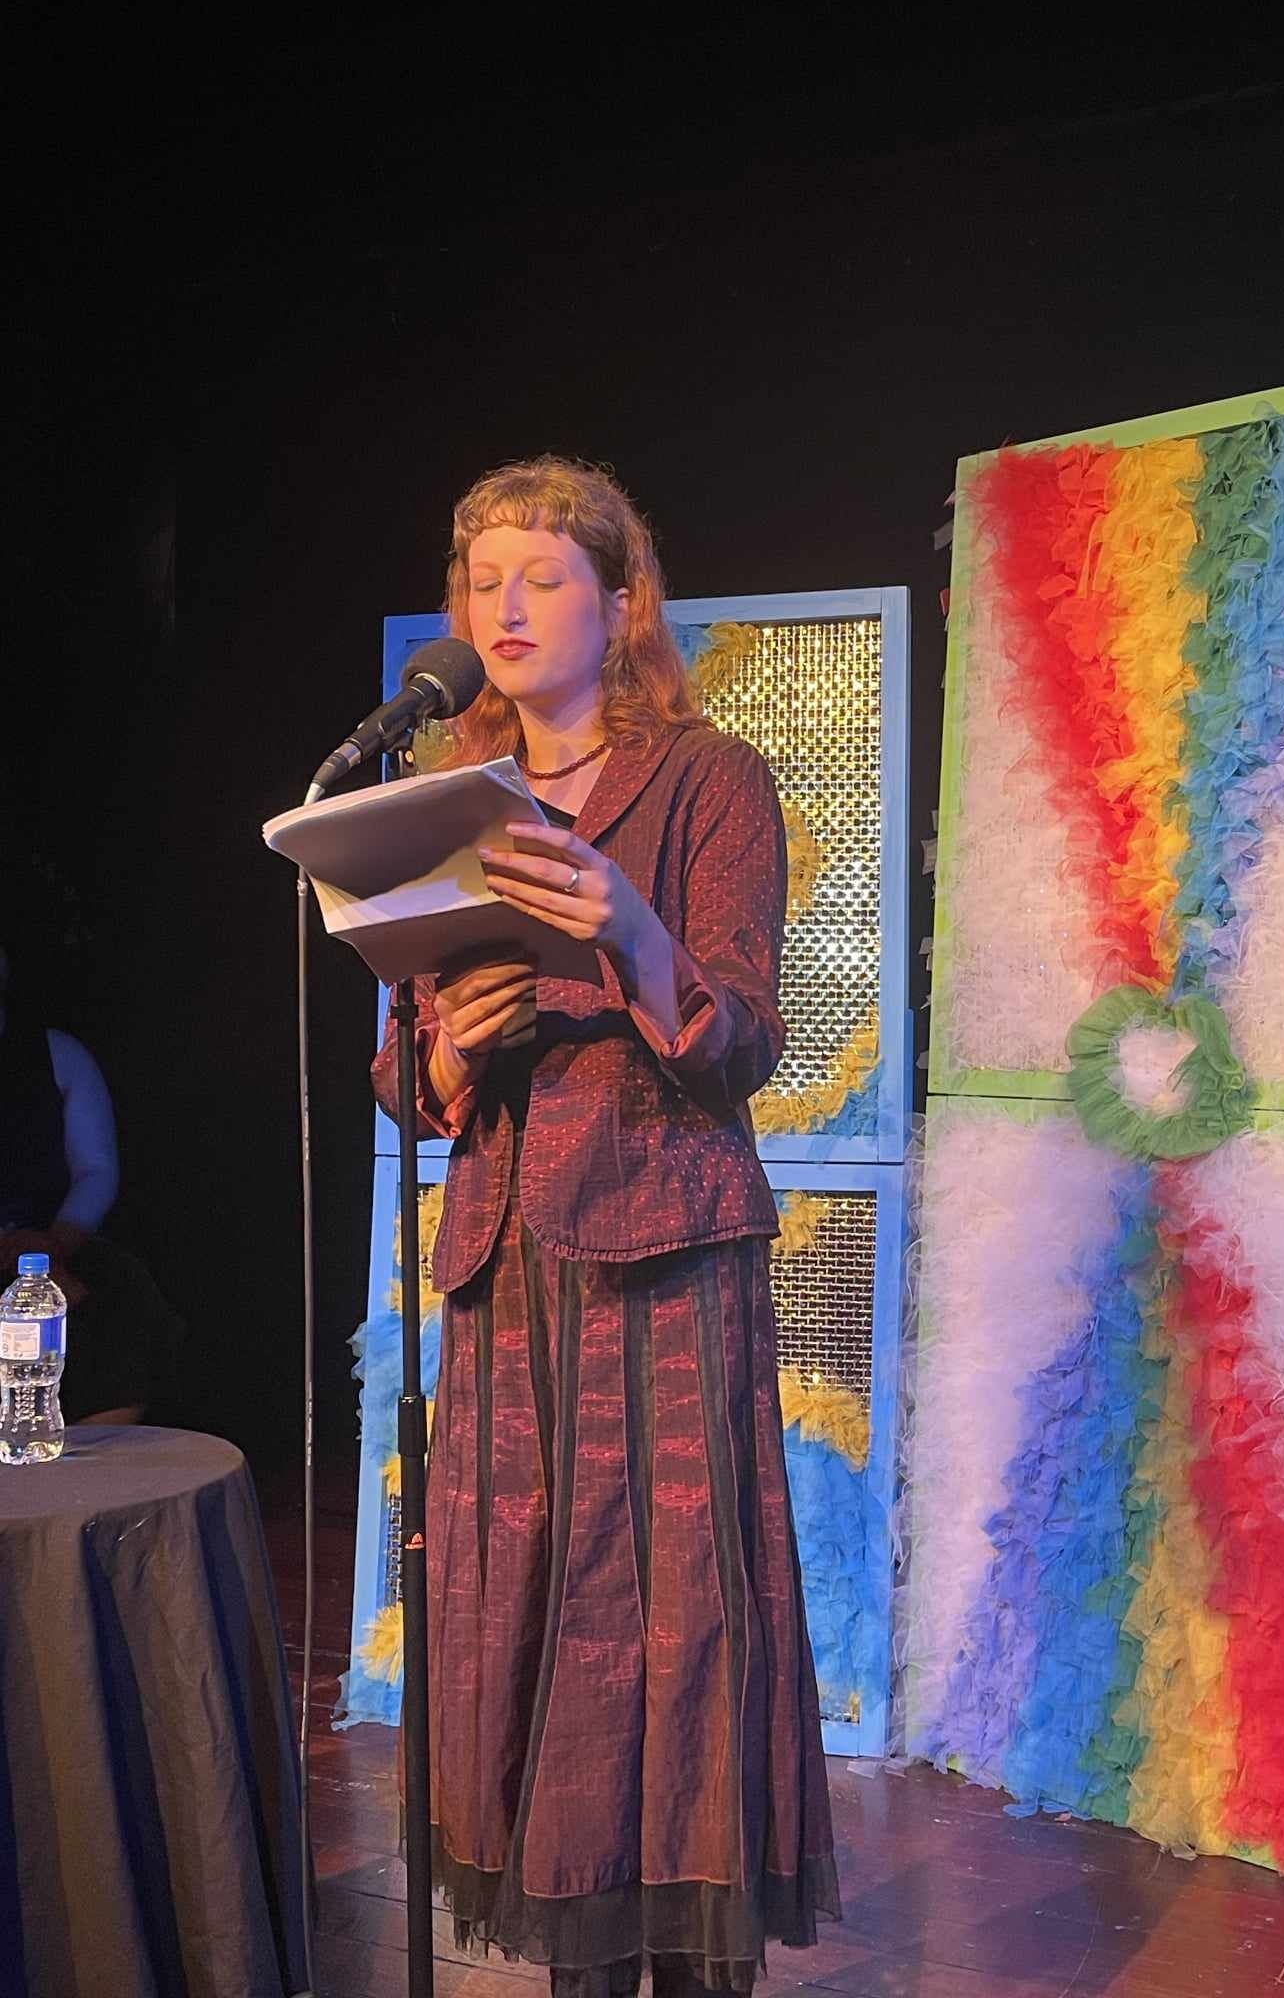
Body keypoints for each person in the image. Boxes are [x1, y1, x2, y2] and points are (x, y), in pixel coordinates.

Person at [372, 457, 838, 1997]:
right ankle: (574, 1940)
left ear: (621, 601)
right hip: (505, 1262)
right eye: (482, 579)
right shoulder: (446, 802)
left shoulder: (710, 780)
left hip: (661, 1249)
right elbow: (406, 1074)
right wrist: (454, 1049)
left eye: (543, 576)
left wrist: (623, 927)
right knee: (526, 1611)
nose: (504, 606)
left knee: (670, 1613)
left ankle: (692, 1957)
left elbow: (743, 1035)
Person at [0, 942, 183, 1423]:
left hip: (49, 1240)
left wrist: (53, 1243)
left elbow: (96, 1169)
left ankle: (103, 1448)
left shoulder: (56, 1055)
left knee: (117, 1290)